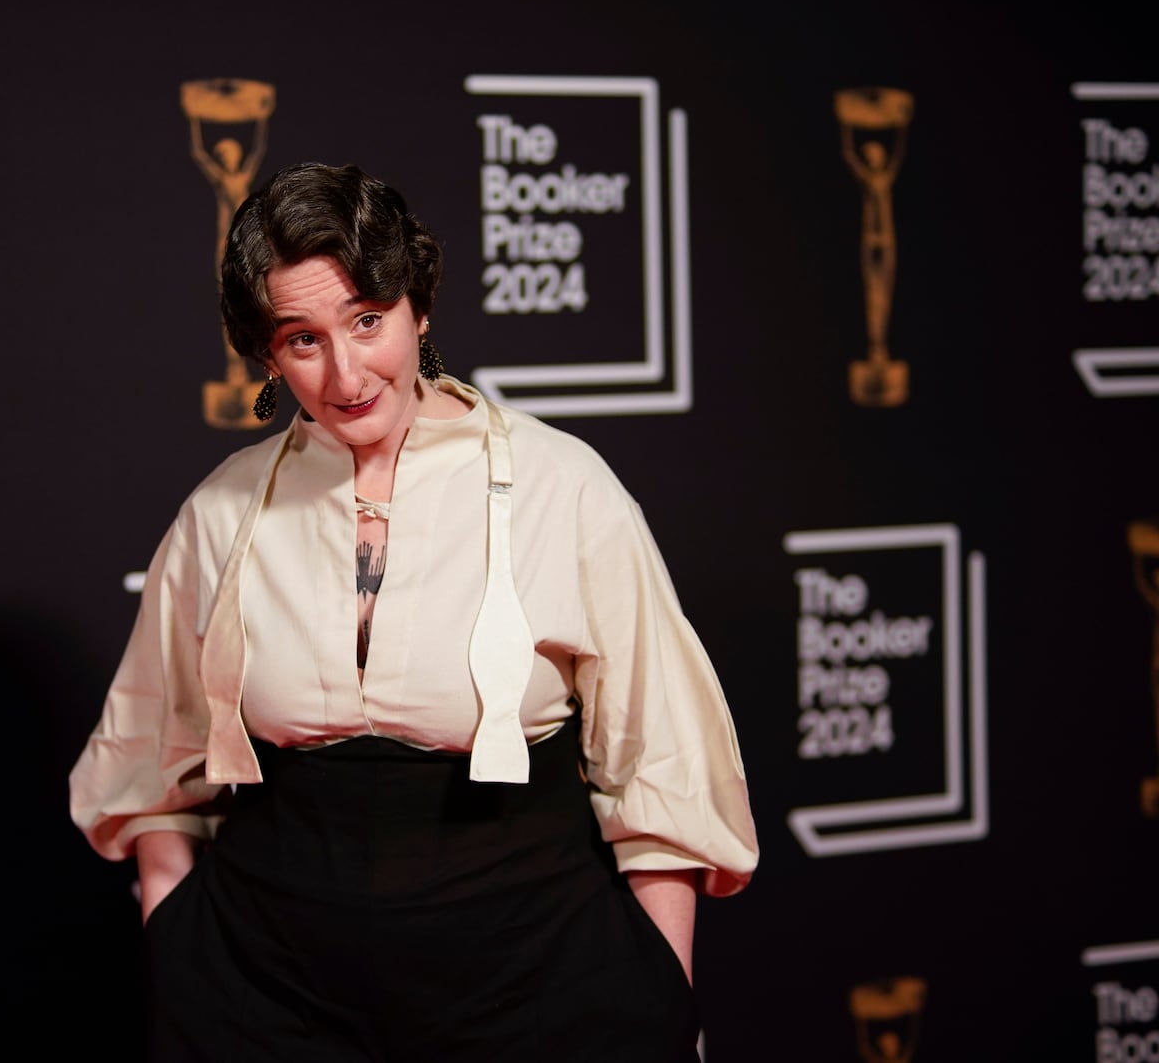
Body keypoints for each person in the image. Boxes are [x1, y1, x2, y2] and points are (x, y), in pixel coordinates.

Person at [69, 162, 758, 1061]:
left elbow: (660, 759)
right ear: (267, 355)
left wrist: (657, 981)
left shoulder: (567, 487)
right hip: (269, 991)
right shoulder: (220, 513)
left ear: (418, 308)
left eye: (367, 319)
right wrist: (180, 940)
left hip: (537, 979)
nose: (347, 372)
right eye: (302, 338)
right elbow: (153, 756)